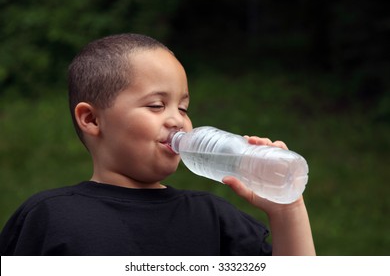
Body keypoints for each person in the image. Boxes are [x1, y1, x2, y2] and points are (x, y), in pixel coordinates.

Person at [0, 33, 315, 256]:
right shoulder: (51, 217)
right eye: (155, 105)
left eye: (183, 108)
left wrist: (288, 210)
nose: (177, 120)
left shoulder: (215, 219)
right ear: (92, 120)